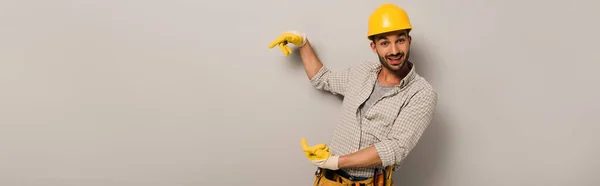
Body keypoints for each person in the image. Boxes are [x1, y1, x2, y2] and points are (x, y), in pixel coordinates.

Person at [269, 3, 438, 186]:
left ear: (409, 40)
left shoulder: (421, 93)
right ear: (374, 47)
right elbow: (323, 78)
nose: (394, 50)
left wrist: (335, 161)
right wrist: (303, 42)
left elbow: (395, 148)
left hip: (368, 182)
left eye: (400, 40)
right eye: (384, 43)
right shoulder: (362, 72)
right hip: (328, 180)